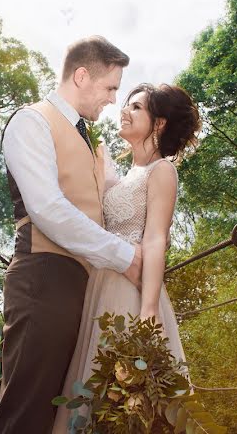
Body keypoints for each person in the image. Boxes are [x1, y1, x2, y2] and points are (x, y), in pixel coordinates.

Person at [0, 36, 144, 434]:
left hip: (85, 286)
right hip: (43, 278)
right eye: (110, 87)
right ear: (81, 76)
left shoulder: (93, 142)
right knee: (28, 411)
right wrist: (125, 258)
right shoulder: (32, 121)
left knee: (62, 413)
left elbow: (117, 198)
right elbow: (48, 209)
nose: (113, 99)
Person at [51, 83, 201, 434]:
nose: (124, 111)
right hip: (101, 287)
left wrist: (149, 311)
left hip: (130, 294)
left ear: (159, 124)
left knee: (130, 395)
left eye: (136, 107)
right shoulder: (126, 173)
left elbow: (155, 238)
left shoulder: (162, 171)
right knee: (97, 385)